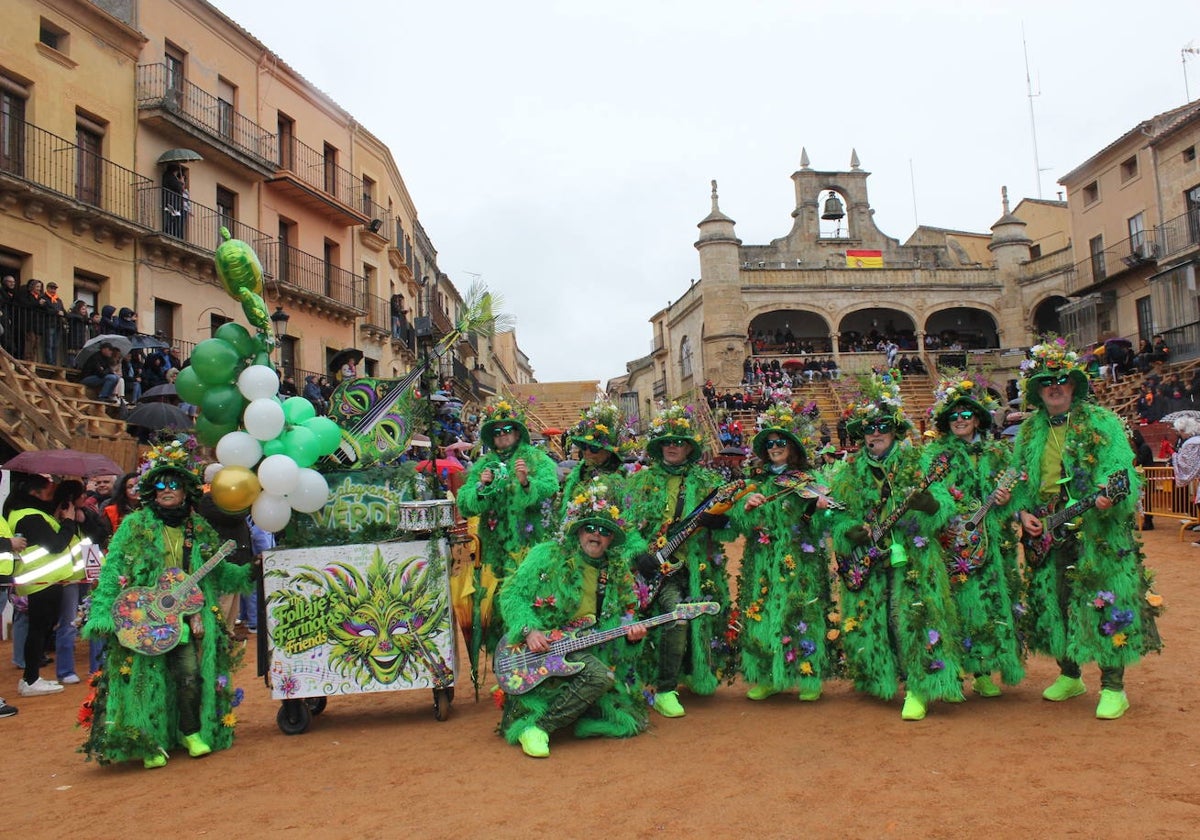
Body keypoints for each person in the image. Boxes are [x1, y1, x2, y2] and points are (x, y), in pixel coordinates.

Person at [1010, 338, 1161, 720]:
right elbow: (1019, 481)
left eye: (1062, 379)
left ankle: (1113, 686)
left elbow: (1120, 470)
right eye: (1047, 381)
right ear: (1037, 389)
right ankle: (1070, 674)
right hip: (1048, 532)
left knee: (1105, 600)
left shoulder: (1101, 422)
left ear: (1074, 384)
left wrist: (1110, 493)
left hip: (1097, 530)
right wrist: (1022, 514)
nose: (1055, 386)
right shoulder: (1028, 433)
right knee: (1055, 602)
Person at [81, 439, 254, 768]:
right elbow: (113, 568)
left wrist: (249, 573)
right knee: (147, 681)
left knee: (188, 676)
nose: (166, 489)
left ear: (186, 492)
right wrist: (102, 612)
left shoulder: (199, 529)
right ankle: (151, 742)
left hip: (184, 619)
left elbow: (218, 575)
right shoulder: (135, 526)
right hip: (143, 617)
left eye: (173, 484)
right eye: (160, 483)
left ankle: (190, 732)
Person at [825, 373, 963, 720]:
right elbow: (836, 519)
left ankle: (919, 687)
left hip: (913, 554)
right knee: (876, 619)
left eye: (883, 425)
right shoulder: (848, 472)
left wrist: (929, 504)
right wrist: (850, 531)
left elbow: (945, 506)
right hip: (869, 560)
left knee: (912, 617)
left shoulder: (918, 463)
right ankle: (883, 679)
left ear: (896, 429)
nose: (875, 432)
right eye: (869, 427)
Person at [497, 479, 648, 757]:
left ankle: (576, 714)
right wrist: (529, 630)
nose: (596, 535)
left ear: (611, 538)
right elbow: (512, 595)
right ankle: (538, 727)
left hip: (587, 649)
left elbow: (628, 615)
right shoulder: (547, 555)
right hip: (541, 651)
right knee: (598, 677)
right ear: (577, 531)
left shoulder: (616, 572)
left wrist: (633, 635)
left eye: (604, 531)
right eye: (590, 528)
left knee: (629, 718)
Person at [621, 402, 736, 718]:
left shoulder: (706, 482)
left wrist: (722, 522)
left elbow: (733, 525)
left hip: (697, 566)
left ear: (689, 447)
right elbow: (626, 526)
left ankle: (692, 676)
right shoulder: (640, 481)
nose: (673, 447)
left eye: (679, 442)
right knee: (675, 617)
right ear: (659, 446)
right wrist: (639, 555)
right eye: (668, 441)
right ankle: (666, 689)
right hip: (657, 569)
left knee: (700, 624)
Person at [922, 374, 1024, 699]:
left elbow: (1018, 485)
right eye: (953, 416)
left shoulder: (997, 452)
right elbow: (931, 490)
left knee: (990, 604)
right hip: (952, 542)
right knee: (952, 607)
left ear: (978, 418)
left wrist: (1010, 499)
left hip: (994, 544)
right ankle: (953, 674)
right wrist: (949, 513)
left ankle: (983, 670)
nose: (960, 421)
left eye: (966, 415)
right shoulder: (937, 454)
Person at [729, 402, 834, 702]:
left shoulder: (810, 481)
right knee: (762, 612)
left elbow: (826, 522)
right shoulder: (755, 483)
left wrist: (818, 509)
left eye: (781, 443)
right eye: (770, 444)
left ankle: (809, 676)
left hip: (801, 558)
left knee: (803, 610)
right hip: (763, 561)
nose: (775, 448)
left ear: (793, 447)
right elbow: (740, 522)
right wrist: (747, 507)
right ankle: (769, 677)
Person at [455, 400, 560, 653]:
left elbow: (551, 488)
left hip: (529, 550)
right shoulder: (483, 465)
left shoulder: (535, 458)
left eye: (507, 430)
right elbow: (465, 503)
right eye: (497, 433)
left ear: (516, 432)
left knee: (532, 603)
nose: (502, 436)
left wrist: (526, 483)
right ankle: (502, 664)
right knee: (496, 611)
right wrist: (481, 486)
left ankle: (535, 666)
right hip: (493, 554)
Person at [6, 473, 85, 697]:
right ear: (35, 492)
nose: (51, 496)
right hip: (40, 581)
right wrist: (68, 521)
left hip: (45, 580)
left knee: (40, 630)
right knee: (38, 630)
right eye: (49, 491)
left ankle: (32, 678)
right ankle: (30, 680)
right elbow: (56, 545)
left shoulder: (30, 513)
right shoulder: (30, 516)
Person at [559, 398, 631, 514]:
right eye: (584, 446)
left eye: (594, 448)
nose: (587, 452)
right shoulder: (578, 473)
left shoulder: (619, 481)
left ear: (608, 452)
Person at [162, 164, 188, 239]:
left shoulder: (168, 176)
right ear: (175, 171)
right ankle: (171, 233)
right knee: (172, 218)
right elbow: (179, 188)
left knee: (173, 218)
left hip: (172, 201)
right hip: (172, 202)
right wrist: (181, 183)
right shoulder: (170, 177)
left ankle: (172, 233)